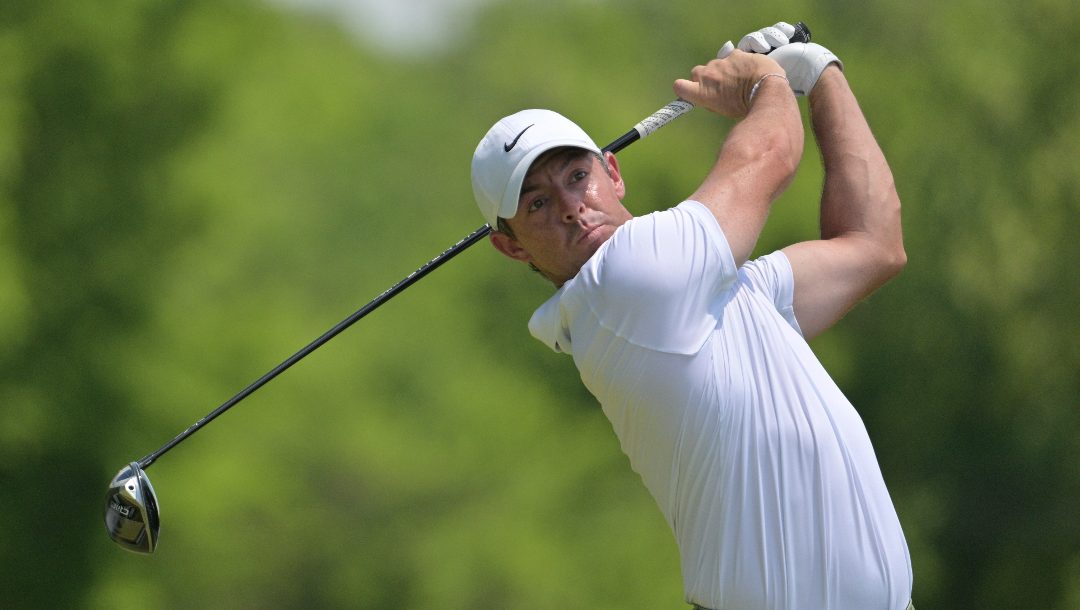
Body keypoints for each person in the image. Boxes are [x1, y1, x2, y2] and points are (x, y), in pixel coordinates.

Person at [470, 22, 912, 610]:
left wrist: (823, 74)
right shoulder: (623, 282)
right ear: (513, 247)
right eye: (538, 204)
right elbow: (771, 153)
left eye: (578, 176)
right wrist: (765, 81)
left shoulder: (712, 294)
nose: (574, 209)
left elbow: (874, 244)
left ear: (613, 172)